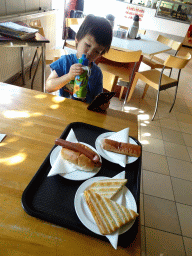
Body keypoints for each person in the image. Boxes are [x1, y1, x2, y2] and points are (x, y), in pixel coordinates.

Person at [45, 14, 113, 111]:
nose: (90, 53)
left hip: (84, 115)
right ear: (77, 39)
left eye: (97, 51)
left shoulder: (97, 73)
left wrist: (103, 104)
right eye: (88, 45)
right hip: (63, 111)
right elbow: (48, 86)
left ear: (100, 54)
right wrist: (69, 76)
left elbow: (97, 100)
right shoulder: (65, 62)